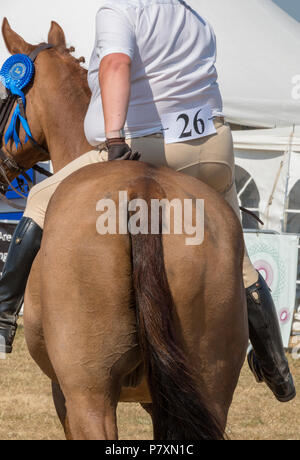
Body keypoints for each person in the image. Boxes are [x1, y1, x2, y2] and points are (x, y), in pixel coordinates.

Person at [0, 0, 295, 402]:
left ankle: (2, 315)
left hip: (151, 145)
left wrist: (116, 140)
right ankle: (275, 365)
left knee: (39, 197)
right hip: (210, 151)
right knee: (239, 261)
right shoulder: (195, 18)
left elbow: (116, 65)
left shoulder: (120, 10)